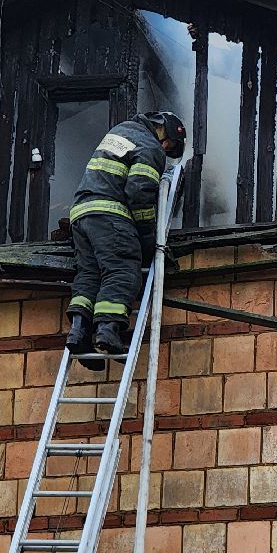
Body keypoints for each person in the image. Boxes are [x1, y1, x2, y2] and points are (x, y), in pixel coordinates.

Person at [62, 110, 186, 363]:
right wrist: (147, 238)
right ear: (164, 131)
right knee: (122, 271)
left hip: (82, 216)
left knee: (90, 273)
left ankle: (79, 332)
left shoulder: (120, 133)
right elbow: (139, 192)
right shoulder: (150, 146)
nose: (165, 149)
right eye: (169, 144)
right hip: (110, 216)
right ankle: (108, 333)